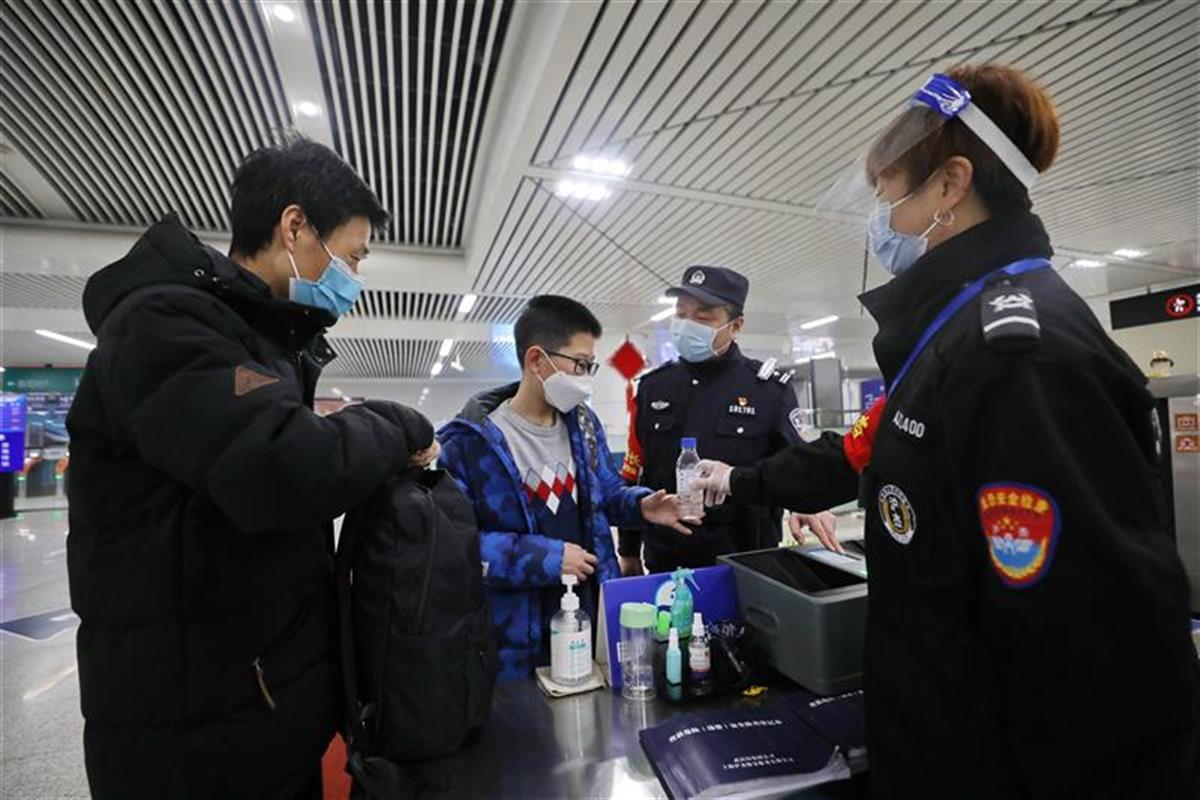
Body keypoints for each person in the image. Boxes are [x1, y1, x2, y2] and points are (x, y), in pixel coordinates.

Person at [693, 65, 1200, 798]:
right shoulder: (946, 342)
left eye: (890, 196)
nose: (883, 221)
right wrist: (741, 481)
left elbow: (1093, 650)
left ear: (951, 185)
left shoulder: (1014, 357)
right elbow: (859, 454)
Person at [67, 138, 439, 799]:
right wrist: (396, 423)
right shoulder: (165, 324)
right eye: (353, 256)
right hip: (190, 737)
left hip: (248, 706)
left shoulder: (254, 341)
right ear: (295, 227)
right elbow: (286, 467)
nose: (355, 277)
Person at [437, 295, 692, 680]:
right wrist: (546, 558)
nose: (585, 377)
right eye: (579, 364)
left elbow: (605, 495)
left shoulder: (584, 426)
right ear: (536, 360)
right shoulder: (469, 445)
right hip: (516, 638)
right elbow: (456, 547)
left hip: (591, 617)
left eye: (590, 366)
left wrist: (641, 507)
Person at [618, 265, 837, 575]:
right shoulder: (653, 387)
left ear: (735, 326)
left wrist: (809, 502)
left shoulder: (768, 390)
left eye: (703, 317)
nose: (687, 325)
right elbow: (635, 474)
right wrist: (628, 552)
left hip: (747, 563)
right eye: (681, 314)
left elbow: (795, 464)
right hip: (666, 562)